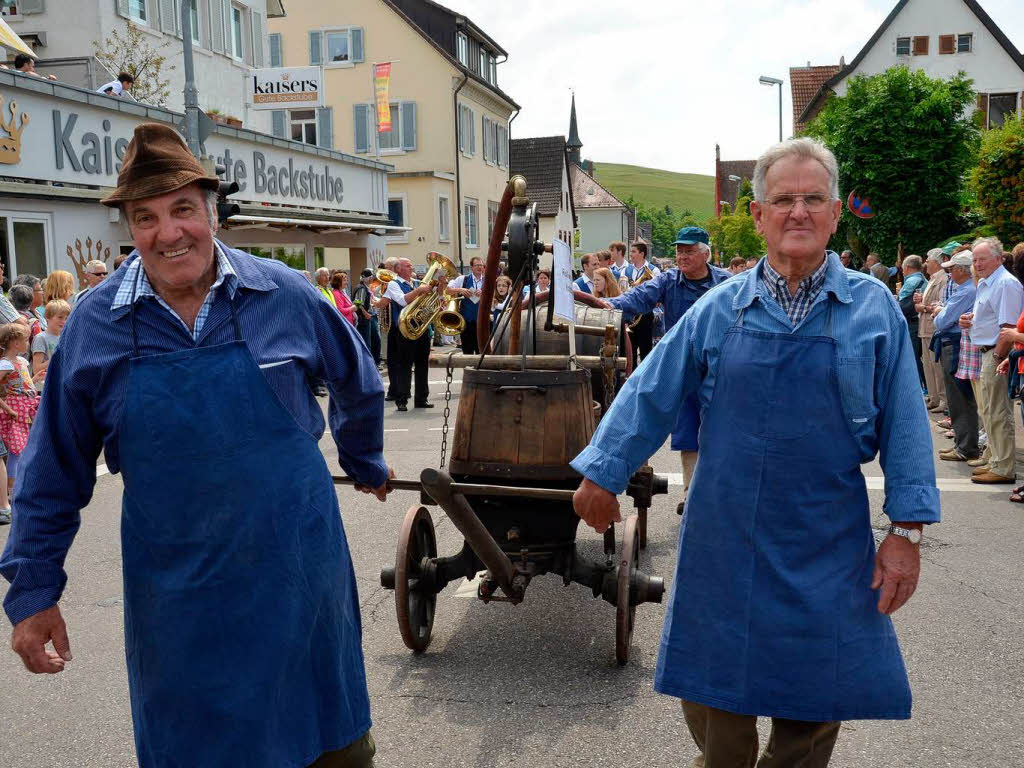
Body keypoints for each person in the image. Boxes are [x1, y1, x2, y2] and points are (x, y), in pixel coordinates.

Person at [0, 123, 391, 768]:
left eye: (183, 208)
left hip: (298, 576)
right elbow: (52, 471)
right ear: (129, 227)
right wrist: (34, 591)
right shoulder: (95, 328)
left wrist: (363, 456)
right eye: (145, 216)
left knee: (330, 746)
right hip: (179, 599)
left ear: (211, 210)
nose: (168, 231)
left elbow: (358, 380)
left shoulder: (284, 294)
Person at [574, 137, 938, 767]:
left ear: (834, 214)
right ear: (759, 215)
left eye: (813, 199)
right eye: (783, 199)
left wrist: (905, 532)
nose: (798, 211)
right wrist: (602, 473)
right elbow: (651, 391)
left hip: (826, 534)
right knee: (718, 695)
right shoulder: (718, 311)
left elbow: (907, 424)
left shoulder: (873, 310)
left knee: (816, 697)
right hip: (726, 535)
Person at [599, 228, 731, 516]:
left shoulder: (726, 284)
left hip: (722, 370)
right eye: (679, 251)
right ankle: (690, 493)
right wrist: (608, 305)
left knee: (724, 429)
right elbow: (638, 298)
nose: (682, 256)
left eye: (689, 250)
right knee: (688, 431)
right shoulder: (668, 281)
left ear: (705, 254)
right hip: (685, 368)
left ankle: (720, 492)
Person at [959, 237, 1024, 484]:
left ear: (998, 258)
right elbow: (988, 317)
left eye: (982, 259)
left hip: (995, 354)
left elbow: (1007, 326)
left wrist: (998, 355)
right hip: (986, 352)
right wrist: (969, 319)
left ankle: (1003, 466)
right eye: (975, 260)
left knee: (997, 413)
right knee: (989, 412)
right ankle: (995, 458)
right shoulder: (988, 282)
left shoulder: (1006, 284)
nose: (977, 264)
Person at [932, 251, 979, 462]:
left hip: (955, 344)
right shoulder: (967, 289)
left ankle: (966, 446)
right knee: (958, 397)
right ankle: (963, 444)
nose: (950, 274)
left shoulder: (965, 291)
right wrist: (942, 311)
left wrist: (940, 311)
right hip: (955, 344)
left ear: (961, 270)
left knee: (960, 397)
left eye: (951, 270)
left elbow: (942, 321)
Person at [385, 257, 439, 411]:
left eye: (411, 265)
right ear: (399, 269)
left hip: (421, 330)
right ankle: (402, 400)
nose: (411, 267)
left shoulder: (417, 283)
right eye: (407, 266)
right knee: (404, 366)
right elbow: (402, 301)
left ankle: (422, 399)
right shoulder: (393, 284)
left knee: (422, 365)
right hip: (404, 331)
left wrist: (438, 295)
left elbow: (431, 303)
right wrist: (419, 291)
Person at [0, 321, 39, 501]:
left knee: (25, 448)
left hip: (26, 407)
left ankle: (21, 484)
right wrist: (8, 409)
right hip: (15, 410)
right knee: (16, 450)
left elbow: (22, 384)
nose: (28, 344)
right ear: (16, 343)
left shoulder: (22, 361)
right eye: (25, 340)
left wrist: (35, 378)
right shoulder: (5, 364)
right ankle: (11, 488)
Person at [620, 242, 662, 367]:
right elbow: (622, 292)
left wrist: (640, 289)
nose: (630, 254)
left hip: (645, 315)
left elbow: (657, 294)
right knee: (630, 350)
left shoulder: (654, 270)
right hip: (630, 315)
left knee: (646, 350)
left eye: (633, 251)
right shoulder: (625, 271)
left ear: (642, 254)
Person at [917, 249, 948, 413]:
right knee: (928, 365)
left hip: (933, 327)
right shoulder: (932, 279)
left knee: (936, 366)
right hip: (925, 327)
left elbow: (941, 304)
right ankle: (934, 397)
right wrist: (920, 301)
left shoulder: (943, 279)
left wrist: (924, 307)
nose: (926, 263)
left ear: (935, 262)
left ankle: (943, 399)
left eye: (928, 260)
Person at [897, 255, 928, 391]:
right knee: (921, 355)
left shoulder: (910, 281)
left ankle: (921, 385)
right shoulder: (923, 279)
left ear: (908, 268)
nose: (902, 271)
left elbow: (901, 303)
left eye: (903, 268)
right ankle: (926, 385)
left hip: (912, 322)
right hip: (920, 320)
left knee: (913, 355)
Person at [446, 256, 485, 355]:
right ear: (471, 267)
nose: (479, 267)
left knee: (482, 351)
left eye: (481, 265)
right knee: (467, 352)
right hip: (466, 322)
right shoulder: (462, 279)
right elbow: (448, 290)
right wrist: (460, 290)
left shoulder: (487, 281)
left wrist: (484, 293)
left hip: (483, 322)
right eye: (477, 265)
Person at [31, 299, 69, 379]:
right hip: (44, 385)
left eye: (66, 318)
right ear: (48, 317)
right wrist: (56, 357)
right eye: (60, 317)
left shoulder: (65, 338)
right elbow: (36, 369)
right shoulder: (41, 338)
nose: (64, 321)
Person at [352, 268, 381, 368]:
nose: (371, 279)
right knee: (367, 341)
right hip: (363, 318)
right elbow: (358, 303)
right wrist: (365, 314)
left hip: (366, 317)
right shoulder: (361, 288)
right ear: (365, 278)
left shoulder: (365, 287)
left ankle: (371, 363)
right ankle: (368, 365)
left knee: (372, 340)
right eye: (370, 277)